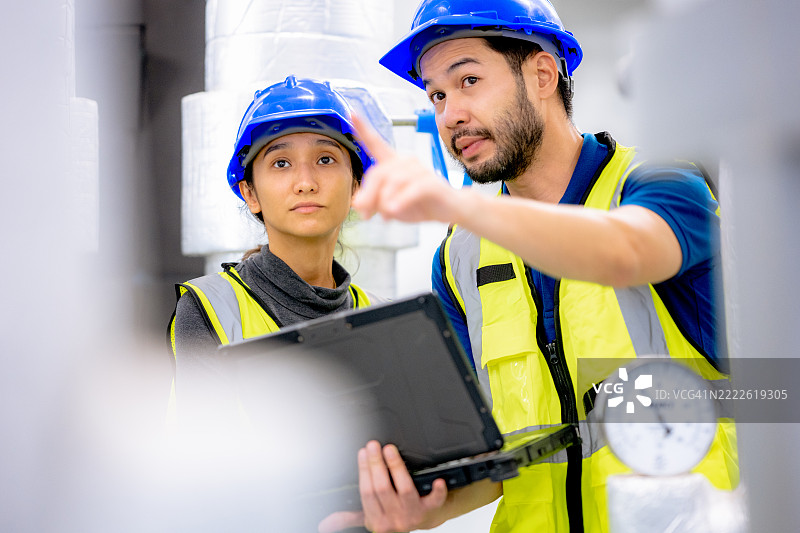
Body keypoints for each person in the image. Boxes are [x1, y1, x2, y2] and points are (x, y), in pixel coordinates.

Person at [318, 1, 738, 532]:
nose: (449, 113)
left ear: (542, 73)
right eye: (437, 94)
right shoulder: (458, 257)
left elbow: (628, 251)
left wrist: (459, 204)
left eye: (468, 79)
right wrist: (413, 510)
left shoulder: (661, 184)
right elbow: (488, 463)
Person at [168, 75, 381, 399]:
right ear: (250, 193)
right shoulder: (209, 309)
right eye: (281, 163)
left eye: (325, 159)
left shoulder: (383, 318)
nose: (306, 182)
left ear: (355, 186)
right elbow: (202, 445)